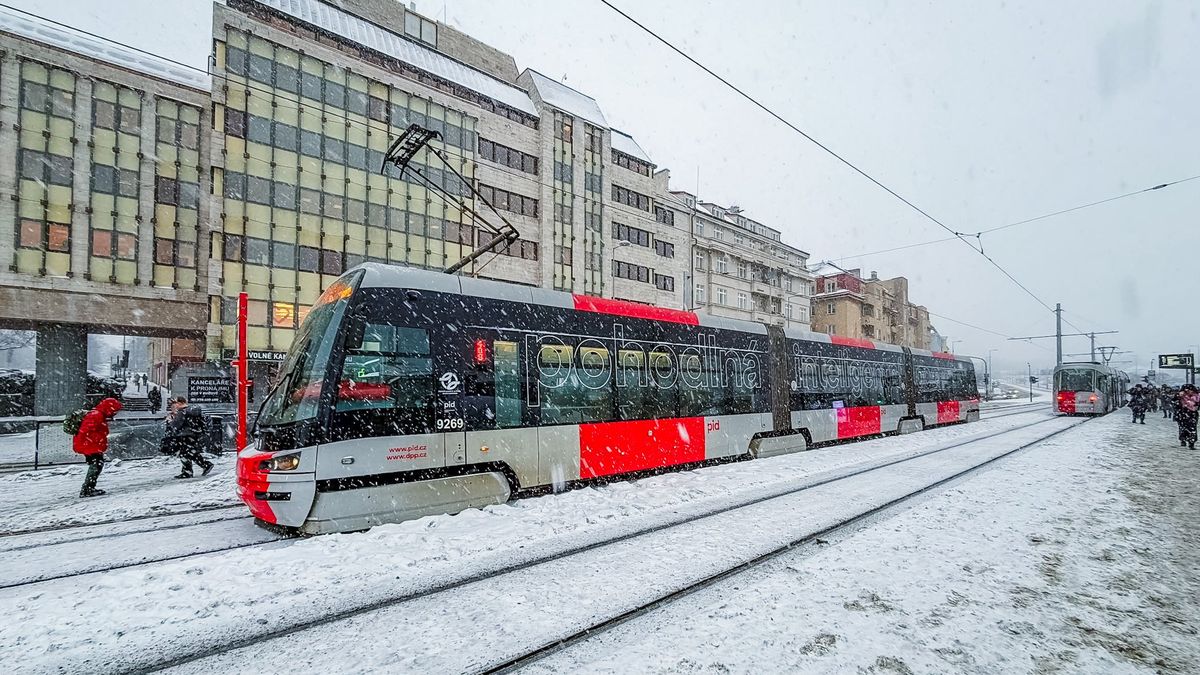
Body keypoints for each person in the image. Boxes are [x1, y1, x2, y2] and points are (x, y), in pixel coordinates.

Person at [73, 397, 123, 498]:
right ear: (110, 408)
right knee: (96, 465)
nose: (115, 414)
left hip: (89, 445)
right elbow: (86, 431)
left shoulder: (98, 414)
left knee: (96, 465)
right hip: (90, 445)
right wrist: (99, 438)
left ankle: (89, 488)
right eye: (114, 411)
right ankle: (87, 489)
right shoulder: (97, 415)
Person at [164, 397, 213, 478]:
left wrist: (169, 421)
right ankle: (196, 468)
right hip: (194, 434)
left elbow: (176, 425)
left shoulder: (182, 412)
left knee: (186, 453)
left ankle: (197, 468)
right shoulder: (191, 410)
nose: (174, 406)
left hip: (184, 435)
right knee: (189, 452)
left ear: (179, 403)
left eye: (175, 404)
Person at [1176, 384, 1199, 450]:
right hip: (1182, 414)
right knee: (1183, 428)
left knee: (1192, 428)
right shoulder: (1180, 396)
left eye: (1191, 390)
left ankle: (1191, 443)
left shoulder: (1197, 396)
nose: (1189, 391)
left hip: (1193, 414)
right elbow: (1175, 402)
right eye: (1187, 390)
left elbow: (1198, 404)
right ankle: (1183, 439)